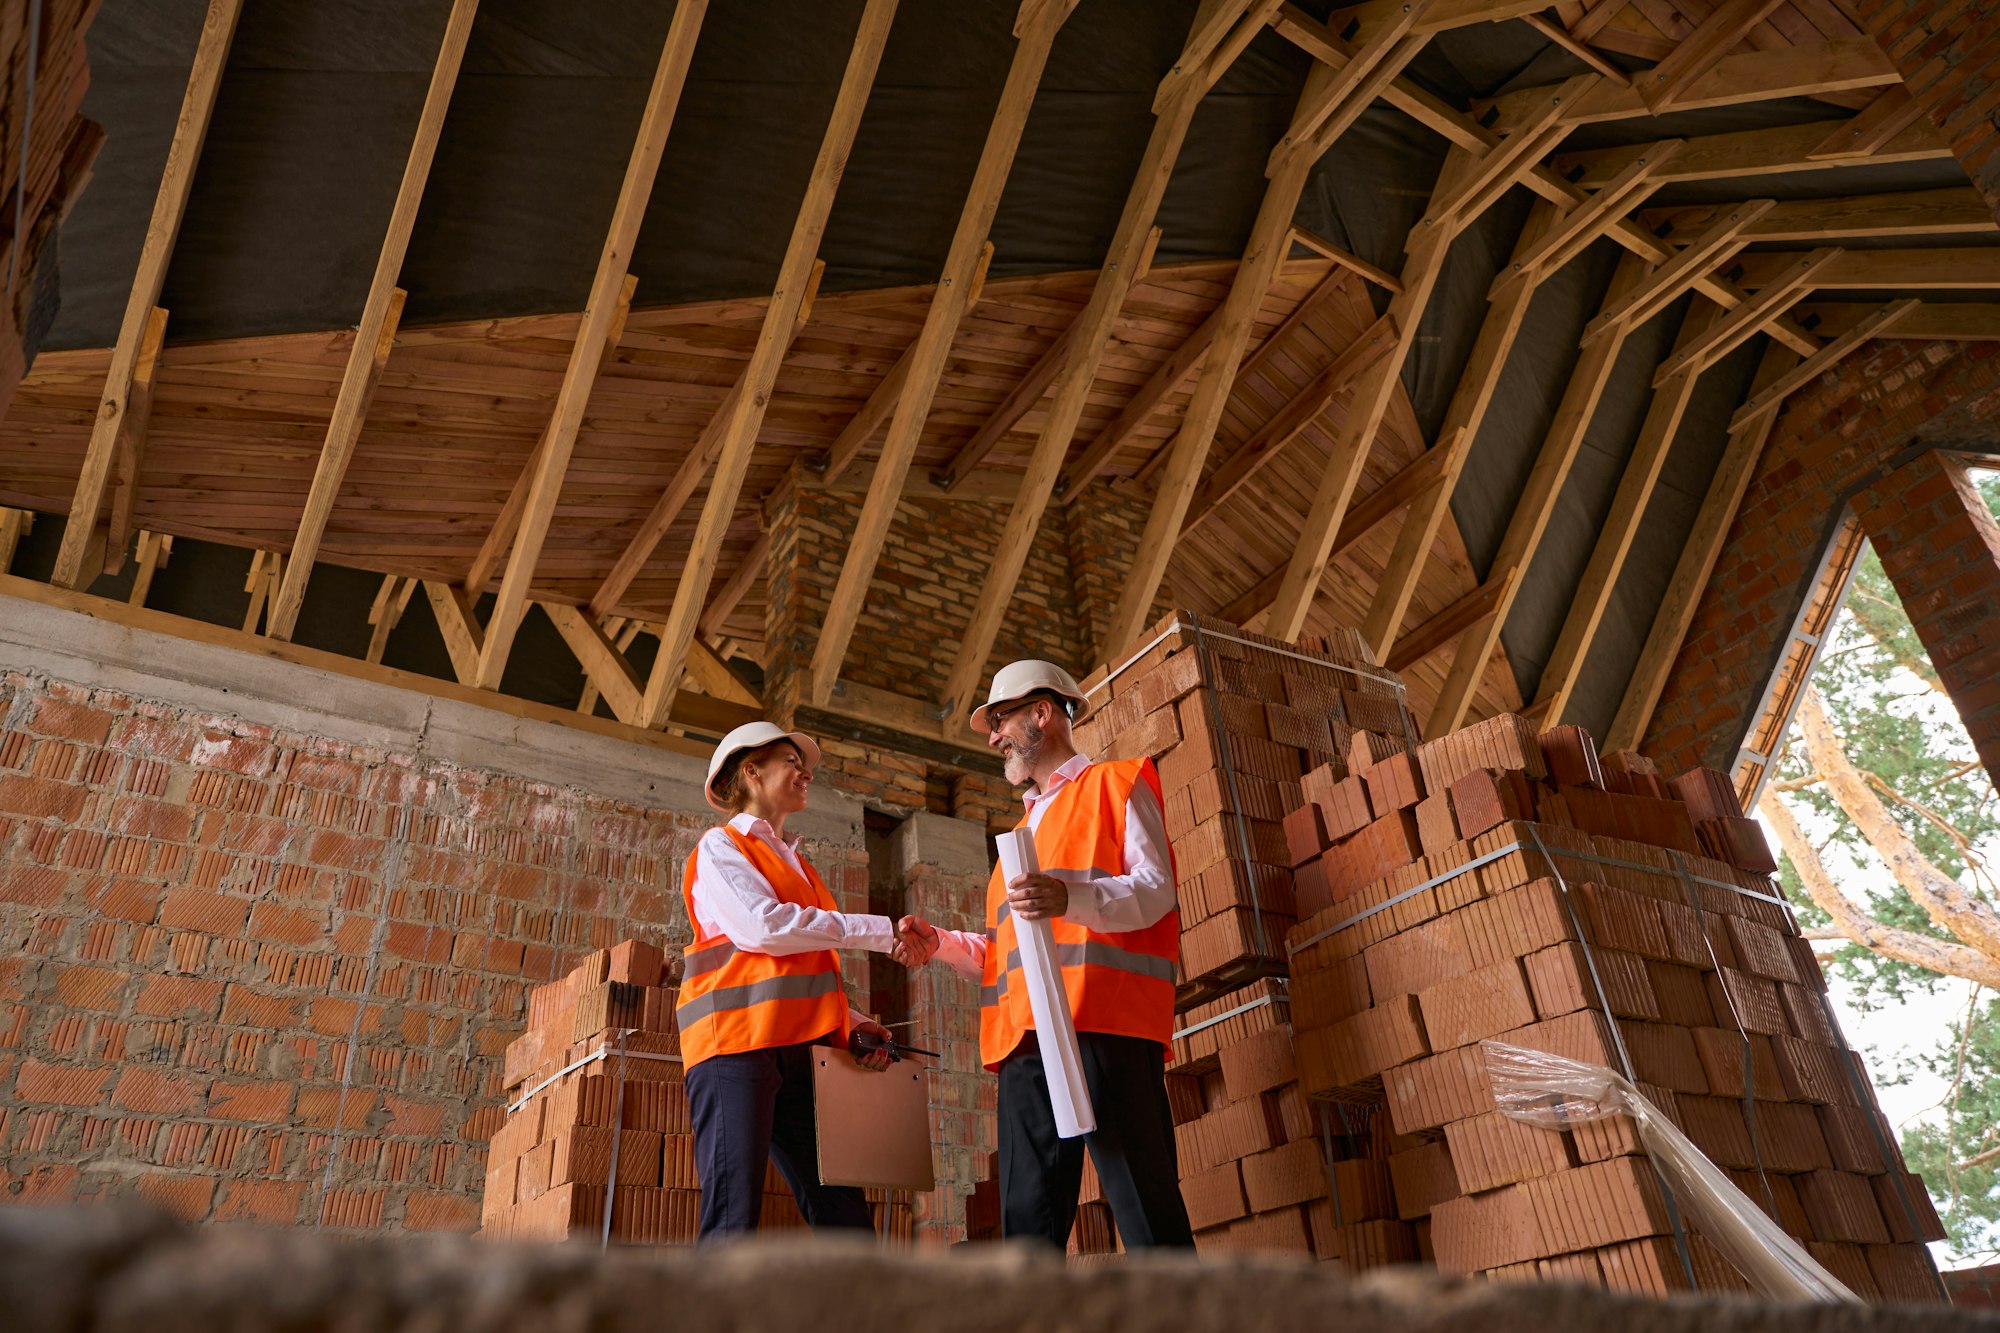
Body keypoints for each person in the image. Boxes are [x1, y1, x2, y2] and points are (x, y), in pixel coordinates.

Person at [894, 660, 1193, 1249]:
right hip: (1027, 1045)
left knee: (1145, 1210)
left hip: (1106, 1029)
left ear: (1043, 713)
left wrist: (1069, 897)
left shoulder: (1118, 784)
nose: (992, 735)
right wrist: (943, 946)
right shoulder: (1017, 843)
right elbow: (1013, 954)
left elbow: (1156, 890)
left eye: (1000, 718)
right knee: (1028, 1228)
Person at [678, 720, 906, 1240]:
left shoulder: (798, 865)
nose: (805, 772)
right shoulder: (720, 848)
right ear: (752, 771)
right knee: (733, 1219)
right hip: (735, 1049)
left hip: (800, 1051)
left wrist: (852, 1025)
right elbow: (763, 929)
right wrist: (877, 930)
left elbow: (805, 968)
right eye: (791, 761)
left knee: (846, 1219)